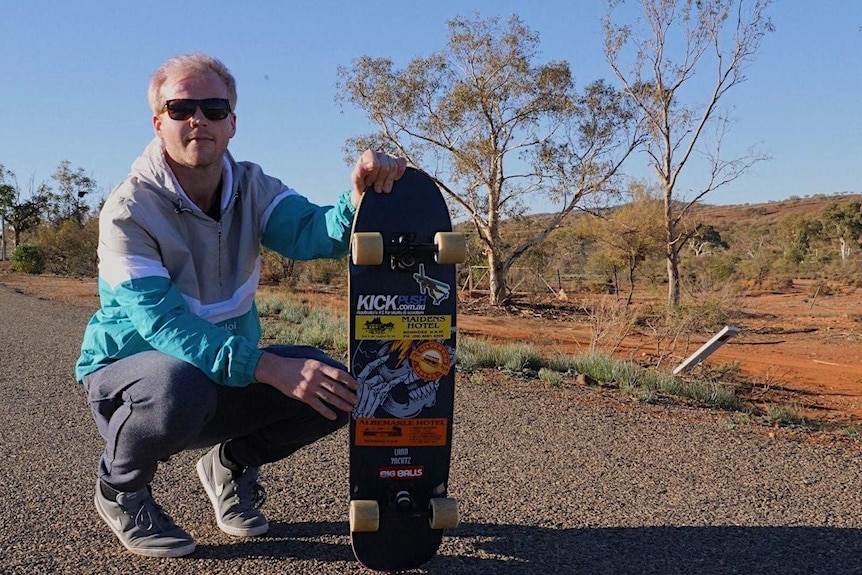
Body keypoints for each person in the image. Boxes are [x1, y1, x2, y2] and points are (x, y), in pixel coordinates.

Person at [74, 53, 407, 558]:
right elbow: (166, 325)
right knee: (176, 384)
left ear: (232, 121)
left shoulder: (251, 187)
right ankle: (121, 490)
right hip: (132, 381)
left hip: (218, 376)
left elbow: (313, 232)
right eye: (181, 107)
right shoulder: (128, 211)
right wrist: (269, 367)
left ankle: (228, 464)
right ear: (158, 121)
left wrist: (357, 199)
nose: (198, 119)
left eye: (213, 106)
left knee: (336, 387)